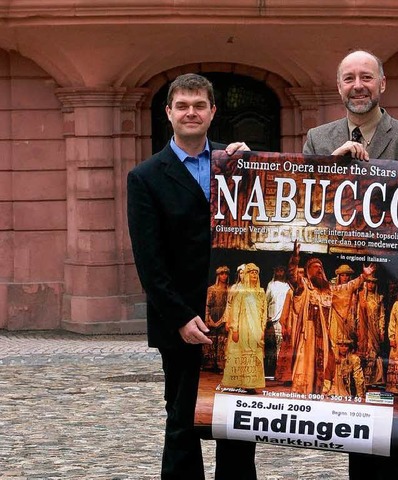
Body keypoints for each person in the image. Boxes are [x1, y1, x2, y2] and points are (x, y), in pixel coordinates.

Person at [303, 49, 398, 479]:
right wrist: (330, 167)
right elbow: (306, 207)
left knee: (395, 390)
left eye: (366, 77)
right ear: (338, 86)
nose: (357, 85)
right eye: (348, 78)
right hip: (343, 287)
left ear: (382, 84)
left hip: (392, 282)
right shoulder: (318, 138)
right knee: (353, 395)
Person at [127, 73, 257, 480]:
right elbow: (150, 261)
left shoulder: (235, 162)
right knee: (183, 426)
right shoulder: (145, 177)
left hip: (238, 321)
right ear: (168, 113)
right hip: (182, 323)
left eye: (199, 105)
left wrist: (256, 168)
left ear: (213, 111)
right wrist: (181, 318)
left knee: (238, 425)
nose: (191, 112)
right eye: (182, 105)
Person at [287, 240, 374, 395]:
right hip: (308, 336)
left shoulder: (329, 290)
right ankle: (303, 392)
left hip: (325, 336)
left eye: (320, 268)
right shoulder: (305, 287)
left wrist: (363, 276)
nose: (319, 270)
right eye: (315, 268)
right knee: (306, 365)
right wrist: (295, 257)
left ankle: (317, 392)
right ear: (308, 271)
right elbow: (292, 277)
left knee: (325, 365)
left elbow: (347, 288)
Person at [221, 263, 267, 391]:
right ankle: (238, 383)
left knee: (254, 354)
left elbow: (264, 312)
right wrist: (234, 329)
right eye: (251, 272)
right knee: (240, 354)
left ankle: (251, 384)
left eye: (256, 272)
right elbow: (235, 310)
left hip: (256, 328)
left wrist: (263, 328)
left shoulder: (260, 292)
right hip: (242, 328)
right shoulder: (241, 291)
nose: (254, 275)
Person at [356, 274, 386, 386]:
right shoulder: (361, 297)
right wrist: (358, 327)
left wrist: (381, 330)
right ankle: (362, 379)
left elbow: (381, 315)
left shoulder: (379, 298)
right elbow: (357, 314)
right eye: (369, 282)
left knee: (374, 352)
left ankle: (373, 379)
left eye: (373, 282)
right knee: (365, 352)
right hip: (363, 329)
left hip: (374, 329)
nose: (371, 285)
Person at [264, 265, 290, 379]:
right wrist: (266, 317)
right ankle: (269, 371)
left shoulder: (288, 285)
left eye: (282, 271)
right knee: (270, 346)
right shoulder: (271, 284)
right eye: (278, 271)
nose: (280, 273)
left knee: (281, 345)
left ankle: (279, 373)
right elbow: (266, 301)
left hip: (283, 318)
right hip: (271, 317)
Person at [203, 265, 230, 372]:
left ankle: (220, 365)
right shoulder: (211, 289)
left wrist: (223, 319)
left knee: (222, 340)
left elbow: (230, 305)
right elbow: (207, 305)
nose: (224, 276)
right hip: (212, 316)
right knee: (211, 339)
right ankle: (209, 365)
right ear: (218, 275)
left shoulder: (230, 289)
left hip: (224, 316)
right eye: (222, 274)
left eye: (226, 274)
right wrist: (207, 319)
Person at [329, 264, 362, 348]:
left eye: (347, 275)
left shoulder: (354, 292)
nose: (344, 277)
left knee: (349, 345)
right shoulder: (334, 289)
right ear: (338, 276)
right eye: (342, 275)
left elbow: (357, 309)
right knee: (336, 343)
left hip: (349, 320)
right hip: (336, 319)